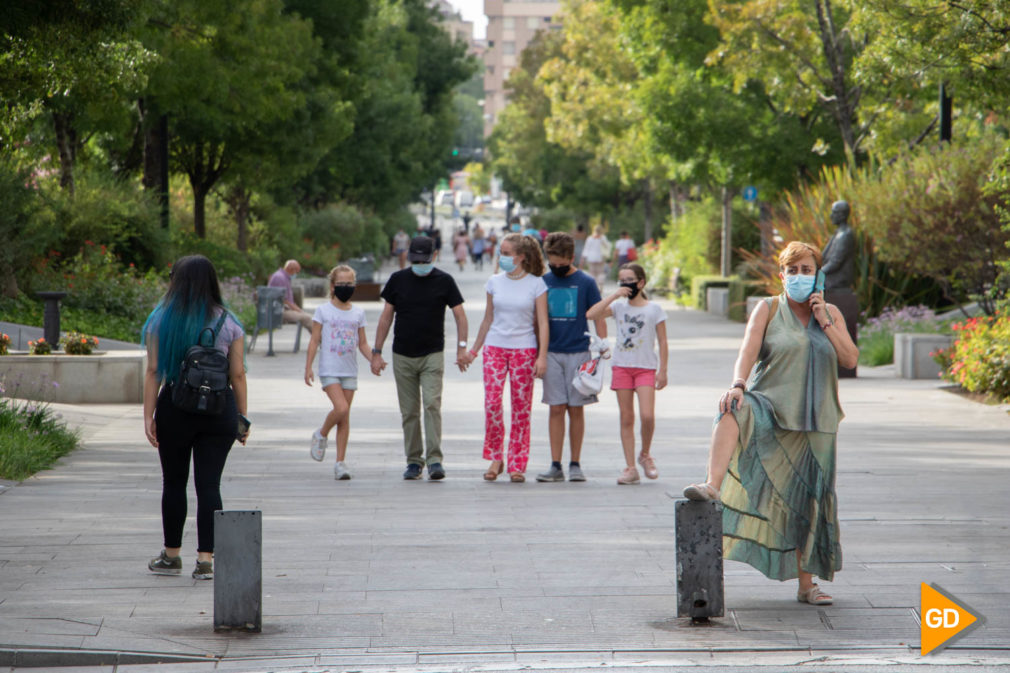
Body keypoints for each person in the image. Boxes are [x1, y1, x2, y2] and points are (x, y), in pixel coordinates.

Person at [682, 241, 858, 606]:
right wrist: (737, 384)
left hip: (817, 420)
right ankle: (712, 486)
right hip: (771, 407)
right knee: (732, 408)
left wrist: (824, 318)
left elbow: (850, 358)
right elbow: (747, 350)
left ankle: (807, 586)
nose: (798, 277)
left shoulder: (832, 314)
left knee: (810, 501)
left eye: (806, 270)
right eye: (792, 271)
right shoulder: (767, 309)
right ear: (781, 276)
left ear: (818, 274)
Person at [142, 255, 248, 581]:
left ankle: (171, 556)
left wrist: (149, 415)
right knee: (209, 485)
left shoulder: (160, 320)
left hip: (176, 407)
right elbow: (239, 375)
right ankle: (205, 560)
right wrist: (242, 419)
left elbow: (153, 372)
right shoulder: (229, 322)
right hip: (219, 411)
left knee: (174, 482)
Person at [371, 236, 469, 480]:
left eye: (423, 260)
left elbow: (460, 315)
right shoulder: (397, 280)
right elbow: (386, 317)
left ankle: (435, 459)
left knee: (432, 404)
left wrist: (462, 348)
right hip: (402, 354)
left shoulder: (444, 281)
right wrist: (376, 352)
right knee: (409, 412)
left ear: (433, 256)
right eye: (415, 260)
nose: (419, 264)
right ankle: (414, 461)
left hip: (432, 353)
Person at [464, 234, 548, 483]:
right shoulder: (494, 282)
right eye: (501, 252)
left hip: (524, 349)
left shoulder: (536, 284)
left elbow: (543, 322)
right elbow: (488, 319)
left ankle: (517, 463)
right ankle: (495, 457)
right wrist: (474, 350)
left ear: (521, 257)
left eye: (507, 253)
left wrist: (541, 356)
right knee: (492, 403)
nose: (502, 257)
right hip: (495, 348)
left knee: (521, 408)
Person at [535, 232, 608, 483]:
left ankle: (575, 463)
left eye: (560, 263)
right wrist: (539, 354)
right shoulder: (543, 282)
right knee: (556, 408)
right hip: (552, 352)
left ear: (571, 257)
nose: (556, 267)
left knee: (576, 409)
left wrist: (602, 345)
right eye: (551, 263)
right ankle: (555, 464)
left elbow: (598, 314)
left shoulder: (586, 282)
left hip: (579, 352)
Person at [586, 263, 668, 484]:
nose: (625, 284)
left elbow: (662, 341)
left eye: (629, 280)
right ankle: (630, 467)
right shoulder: (619, 307)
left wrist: (663, 371)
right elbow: (592, 314)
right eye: (621, 280)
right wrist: (614, 295)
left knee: (647, 415)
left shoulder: (654, 309)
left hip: (646, 368)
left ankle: (645, 454)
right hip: (622, 366)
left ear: (640, 283)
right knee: (626, 417)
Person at [304, 265, 374, 480]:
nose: (345, 288)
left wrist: (374, 360)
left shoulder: (358, 313)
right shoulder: (323, 311)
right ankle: (321, 433)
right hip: (329, 368)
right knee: (341, 408)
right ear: (333, 286)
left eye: (349, 284)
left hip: (349, 370)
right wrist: (308, 367)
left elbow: (362, 343)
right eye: (341, 284)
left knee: (344, 417)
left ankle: (340, 463)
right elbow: (315, 339)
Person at [268, 260, 313, 331]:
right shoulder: (280, 278)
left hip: (281, 310)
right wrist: (300, 311)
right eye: (297, 272)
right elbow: (285, 301)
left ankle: (319, 340)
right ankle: (321, 340)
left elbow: (288, 300)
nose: (296, 274)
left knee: (309, 317)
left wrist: (299, 310)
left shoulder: (283, 277)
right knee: (307, 318)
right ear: (292, 269)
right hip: (279, 312)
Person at [580, 225, 610, 292]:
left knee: (592, 272)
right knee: (600, 272)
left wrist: (583, 258)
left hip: (591, 257)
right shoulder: (603, 238)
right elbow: (608, 246)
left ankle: (594, 287)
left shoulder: (590, 238)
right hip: (600, 257)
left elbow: (586, 248)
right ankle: (600, 286)